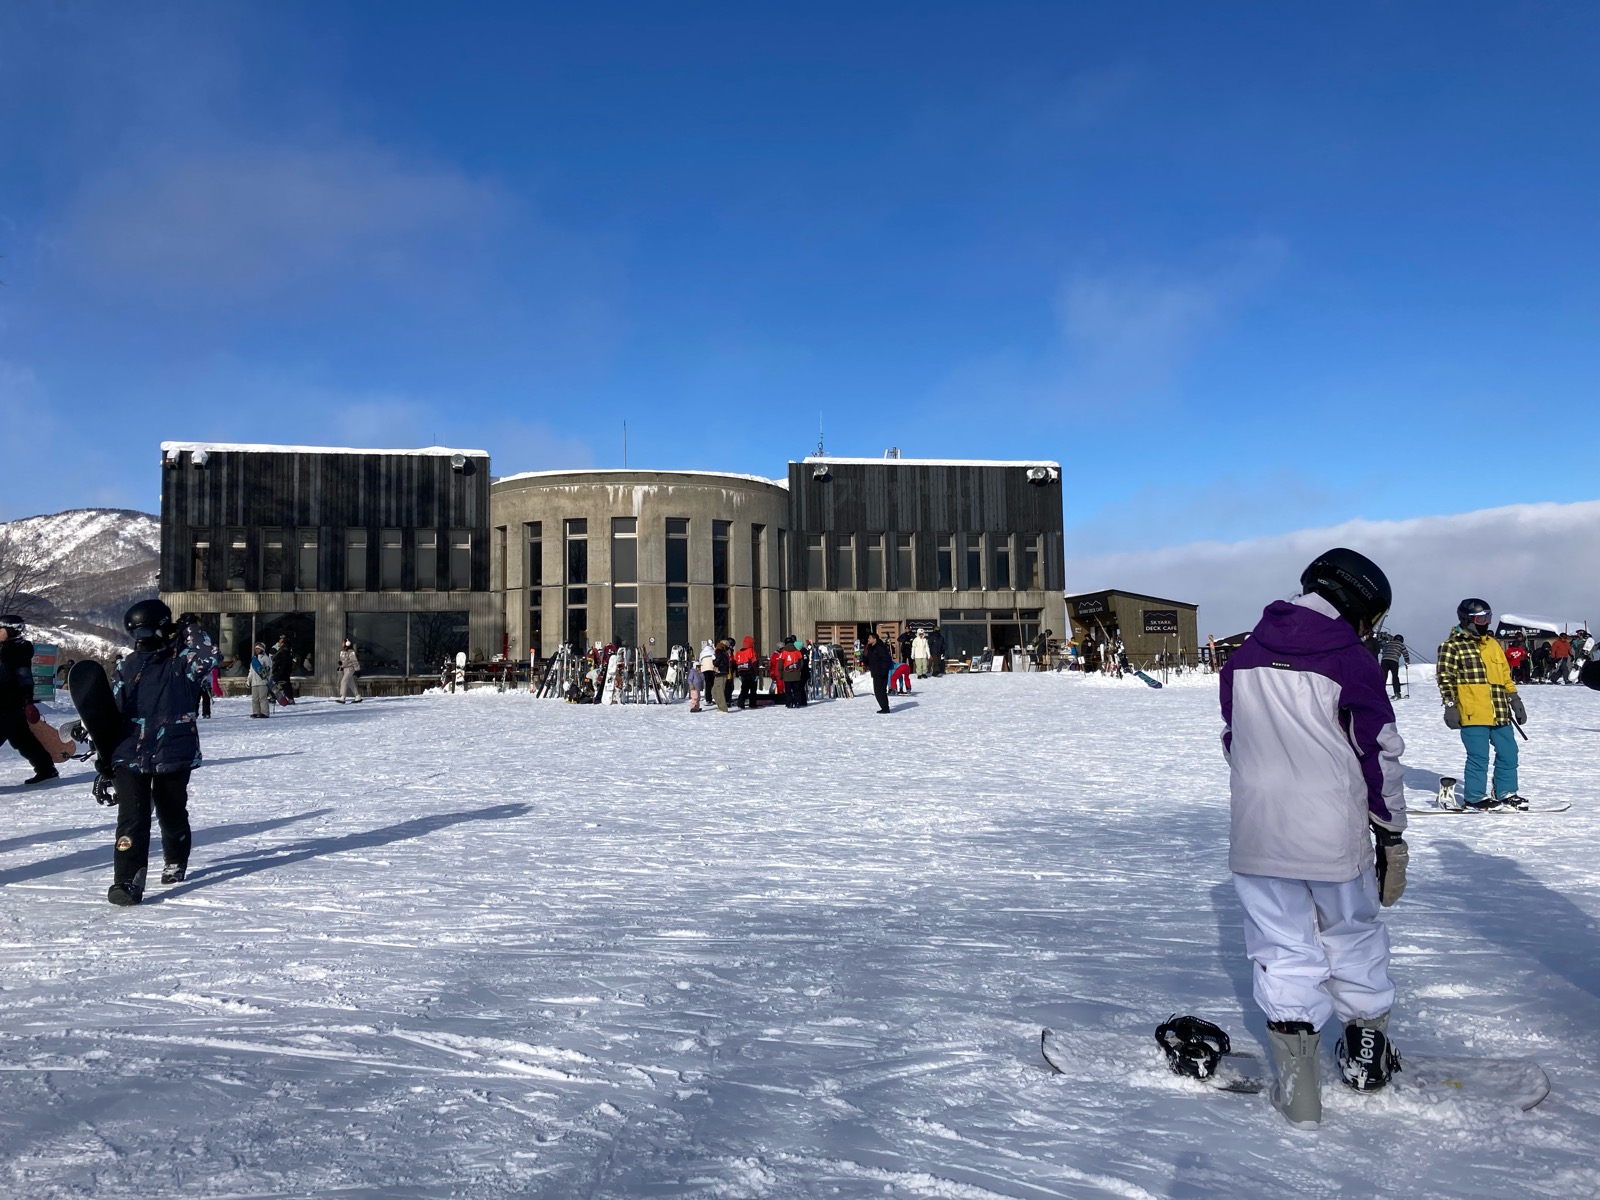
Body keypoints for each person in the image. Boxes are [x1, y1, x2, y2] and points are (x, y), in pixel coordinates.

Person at [1220, 547, 1407, 1128]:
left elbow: (1234, 739)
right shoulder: (1350, 659)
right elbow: (1378, 751)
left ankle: (1300, 1089)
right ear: (1356, 604)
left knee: (1281, 948)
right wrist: (1391, 831)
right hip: (1332, 832)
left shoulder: (1243, 655)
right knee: (1350, 934)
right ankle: (1367, 1055)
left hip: (1258, 832)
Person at [104, 599, 220, 906]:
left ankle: (175, 859)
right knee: (132, 817)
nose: (142, 639)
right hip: (130, 751)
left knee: (171, 811)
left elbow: (209, 656)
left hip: (172, 747)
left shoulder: (182, 662)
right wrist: (103, 758)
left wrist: (190, 629)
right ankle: (127, 881)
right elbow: (110, 712)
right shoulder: (126, 665)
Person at [1436, 599, 1525, 809]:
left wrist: (1515, 699)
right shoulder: (1451, 646)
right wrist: (1450, 706)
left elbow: (1504, 675)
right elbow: (1445, 678)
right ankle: (1475, 796)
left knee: (1509, 752)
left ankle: (1506, 792)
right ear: (1467, 620)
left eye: (1488, 618)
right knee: (1479, 756)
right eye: (1481, 619)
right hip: (1472, 712)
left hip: (1500, 711)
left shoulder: (1493, 644)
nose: (1486, 623)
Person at [0, 614, 59, 784]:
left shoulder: (14, 651)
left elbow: (24, 677)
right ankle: (46, 769)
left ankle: (46, 769)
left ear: (11, 631)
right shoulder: (8, 649)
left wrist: (27, 700)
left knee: (22, 738)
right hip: (10, 704)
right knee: (23, 739)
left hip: (7, 703)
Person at [863, 631, 893, 713]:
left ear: (874, 639)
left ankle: (885, 708)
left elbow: (885, 660)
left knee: (881, 690)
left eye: (870, 638)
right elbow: (869, 660)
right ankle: (884, 707)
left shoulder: (880, 647)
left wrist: (883, 671)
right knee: (877, 691)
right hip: (875, 672)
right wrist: (864, 658)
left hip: (881, 672)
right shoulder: (870, 648)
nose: (868, 639)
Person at [1377, 633, 1409, 701]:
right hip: (1393, 660)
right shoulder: (1401, 645)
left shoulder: (1388, 643)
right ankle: (1397, 693)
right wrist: (1407, 661)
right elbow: (1405, 653)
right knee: (1395, 676)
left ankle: (1380, 693)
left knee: (1383, 676)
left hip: (1384, 660)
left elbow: (1384, 650)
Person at [247, 642, 273, 718]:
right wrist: (248, 680)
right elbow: (251, 671)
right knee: (255, 698)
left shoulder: (266, 658)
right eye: (256, 649)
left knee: (263, 698)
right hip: (254, 682)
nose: (257, 650)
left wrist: (268, 678)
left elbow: (269, 670)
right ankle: (256, 712)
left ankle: (264, 712)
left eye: (258, 649)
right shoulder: (254, 659)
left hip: (263, 682)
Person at [734, 636, 760, 709]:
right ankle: (752, 704)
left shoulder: (738, 652)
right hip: (751, 673)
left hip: (742, 673)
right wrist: (757, 674)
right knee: (753, 690)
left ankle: (740, 703)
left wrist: (738, 674)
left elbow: (736, 663)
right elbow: (754, 663)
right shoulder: (751, 651)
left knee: (744, 689)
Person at [271, 635, 296, 704]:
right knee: (286, 683)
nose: (279, 642)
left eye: (280, 641)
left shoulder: (282, 651)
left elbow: (277, 661)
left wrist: (274, 669)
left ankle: (273, 697)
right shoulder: (288, 650)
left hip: (280, 671)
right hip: (286, 670)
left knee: (276, 683)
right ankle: (290, 698)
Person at [337, 639, 363, 704]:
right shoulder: (342, 651)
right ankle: (357, 696)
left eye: (343, 643)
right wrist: (341, 664)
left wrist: (357, 669)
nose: (342, 644)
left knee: (344, 681)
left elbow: (354, 661)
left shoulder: (351, 651)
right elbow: (345, 660)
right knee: (350, 683)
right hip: (345, 668)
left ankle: (342, 697)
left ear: (347, 643)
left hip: (350, 668)